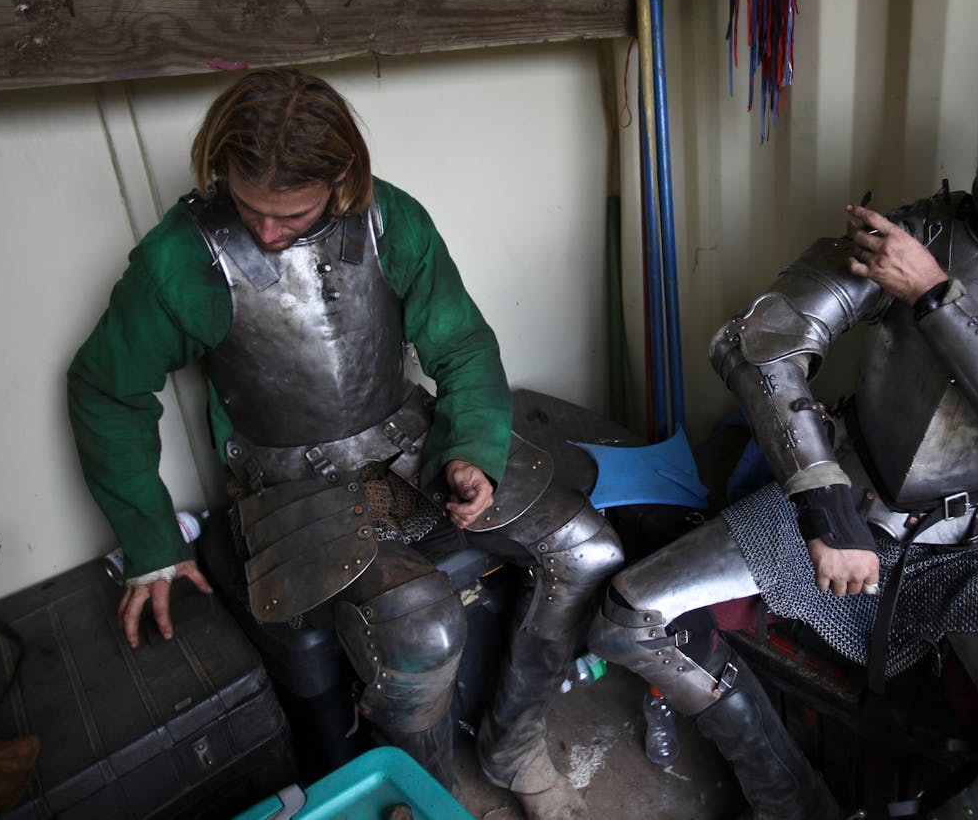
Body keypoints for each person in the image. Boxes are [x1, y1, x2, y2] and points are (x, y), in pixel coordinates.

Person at [589, 50, 978, 819]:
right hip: (850, 499)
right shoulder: (918, 230)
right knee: (627, 619)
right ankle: (792, 799)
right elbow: (755, 342)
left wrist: (935, 296)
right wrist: (825, 505)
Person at [67, 68, 622, 820]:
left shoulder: (393, 220)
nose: (264, 230)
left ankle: (513, 746)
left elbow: (460, 344)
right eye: (248, 206)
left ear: (341, 178)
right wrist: (151, 540)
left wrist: (472, 451)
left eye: (289, 212)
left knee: (588, 548)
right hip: (286, 480)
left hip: (406, 438)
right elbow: (106, 389)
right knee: (423, 622)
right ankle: (433, 800)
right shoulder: (182, 257)